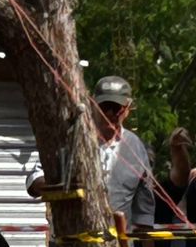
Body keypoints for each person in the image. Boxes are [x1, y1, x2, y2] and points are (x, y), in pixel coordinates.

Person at [25, 75, 155, 230]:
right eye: (105, 107)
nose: (110, 113)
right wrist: (57, 186)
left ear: (128, 108)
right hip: (71, 240)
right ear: (92, 103)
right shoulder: (70, 138)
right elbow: (35, 179)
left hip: (119, 245)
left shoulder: (135, 147)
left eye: (116, 108)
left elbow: (144, 208)